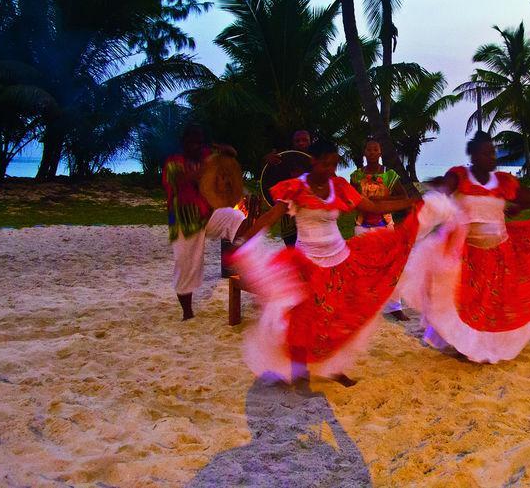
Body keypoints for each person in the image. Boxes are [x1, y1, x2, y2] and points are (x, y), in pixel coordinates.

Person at [232, 140, 426, 386]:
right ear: (313, 162)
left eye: (334, 164)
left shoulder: (339, 186)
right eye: (325, 164)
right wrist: (246, 239)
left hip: (339, 260)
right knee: (305, 317)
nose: (330, 169)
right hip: (307, 263)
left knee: (339, 316)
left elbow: (372, 205)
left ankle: (335, 367)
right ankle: (299, 369)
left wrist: (409, 203)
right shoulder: (296, 188)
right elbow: (270, 217)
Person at [405, 131, 530, 363]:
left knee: (492, 306)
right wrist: (435, 192)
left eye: (493, 152)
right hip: (468, 254)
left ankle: (486, 347)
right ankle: (466, 347)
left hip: (499, 253)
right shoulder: (460, 176)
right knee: (468, 303)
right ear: (473, 156)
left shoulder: (503, 181)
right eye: (487, 153)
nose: (492, 157)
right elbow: (444, 188)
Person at [163, 124, 252, 321]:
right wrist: (206, 168)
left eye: (198, 143)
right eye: (191, 143)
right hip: (184, 220)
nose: (195, 146)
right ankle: (187, 313)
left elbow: (232, 152)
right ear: (183, 143)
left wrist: (223, 150)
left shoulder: (206, 154)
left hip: (208, 214)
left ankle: (239, 253)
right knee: (187, 266)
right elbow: (178, 180)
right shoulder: (173, 162)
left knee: (237, 218)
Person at [350, 139, 411, 321]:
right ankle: (363, 304)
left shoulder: (390, 175)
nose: (372, 152)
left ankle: (394, 307)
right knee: (361, 267)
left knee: (391, 267)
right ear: (364, 152)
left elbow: (403, 196)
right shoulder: (356, 176)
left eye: (375, 149)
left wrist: (382, 204)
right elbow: (351, 198)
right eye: (369, 149)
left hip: (385, 226)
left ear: (380, 152)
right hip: (362, 226)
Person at [263, 130, 312, 247]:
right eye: (297, 141)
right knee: (293, 255)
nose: (301, 143)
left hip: (312, 221)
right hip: (290, 223)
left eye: (305, 140)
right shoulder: (281, 161)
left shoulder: (319, 163)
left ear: (310, 142)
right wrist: (267, 163)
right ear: (293, 143)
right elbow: (270, 185)